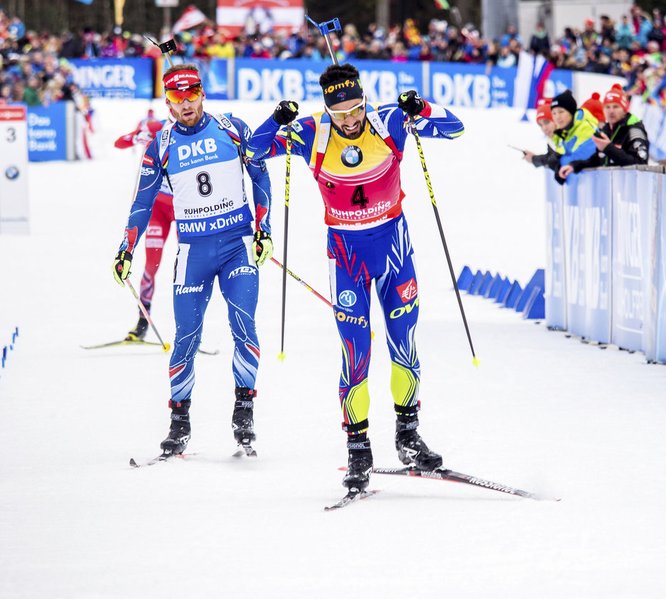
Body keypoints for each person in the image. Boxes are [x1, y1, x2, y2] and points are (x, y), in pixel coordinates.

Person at [246, 63, 465, 494]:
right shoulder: (312, 132)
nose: (348, 120)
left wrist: (422, 106)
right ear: (326, 108)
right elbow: (253, 151)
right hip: (346, 257)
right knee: (355, 352)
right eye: (338, 112)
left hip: (394, 251)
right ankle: (358, 448)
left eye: (354, 109)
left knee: (404, 341)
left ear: (364, 100)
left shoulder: (389, 121)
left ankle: (408, 435)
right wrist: (276, 120)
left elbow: (455, 129)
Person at [112, 64, 272, 456]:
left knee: (243, 325)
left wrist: (264, 228)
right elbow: (142, 202)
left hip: (236, 245)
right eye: (177, 98)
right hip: (193, 252)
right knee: (186, 336)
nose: (186, 104)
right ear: (167, 103)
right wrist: (125, 249)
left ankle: (244, 413)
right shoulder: (161, 144)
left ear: (202, 94)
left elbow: (260, 174)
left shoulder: (231, 127)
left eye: (191, 95)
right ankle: (179, 423)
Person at [114, 108, 175, 341]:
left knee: (188, 264)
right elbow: (119, 143)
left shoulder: (194, 131)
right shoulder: (156, 128)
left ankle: (188, 323)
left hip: (184, 209)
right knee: (152, 264)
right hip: (159, 208)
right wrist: (140, 135)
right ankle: (143, 319)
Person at [564, 84, 649, 176]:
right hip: (611, 186)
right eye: (607, 107)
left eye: (616, 107)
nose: (611, 111)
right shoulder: (606, 129)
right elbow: (598, 159)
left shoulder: (634, 130)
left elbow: (641, 164)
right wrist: (575, 166)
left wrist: (608, 148)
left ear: (624, 110)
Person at [546, 90, 598, 183]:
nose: (557, 117)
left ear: (571, 112)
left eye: (561, 112)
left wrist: (558, 162)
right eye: (554, 113)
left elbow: (581, 156)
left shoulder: (586, 127)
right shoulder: (566, 132)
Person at [522, 98, 563, 184]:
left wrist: (534, 159)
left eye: (547, 122)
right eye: (540, 125)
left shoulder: (565, 137)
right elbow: (550, 157)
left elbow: (556, 160)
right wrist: (533, 158)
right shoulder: (551, 140)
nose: (544, 128)